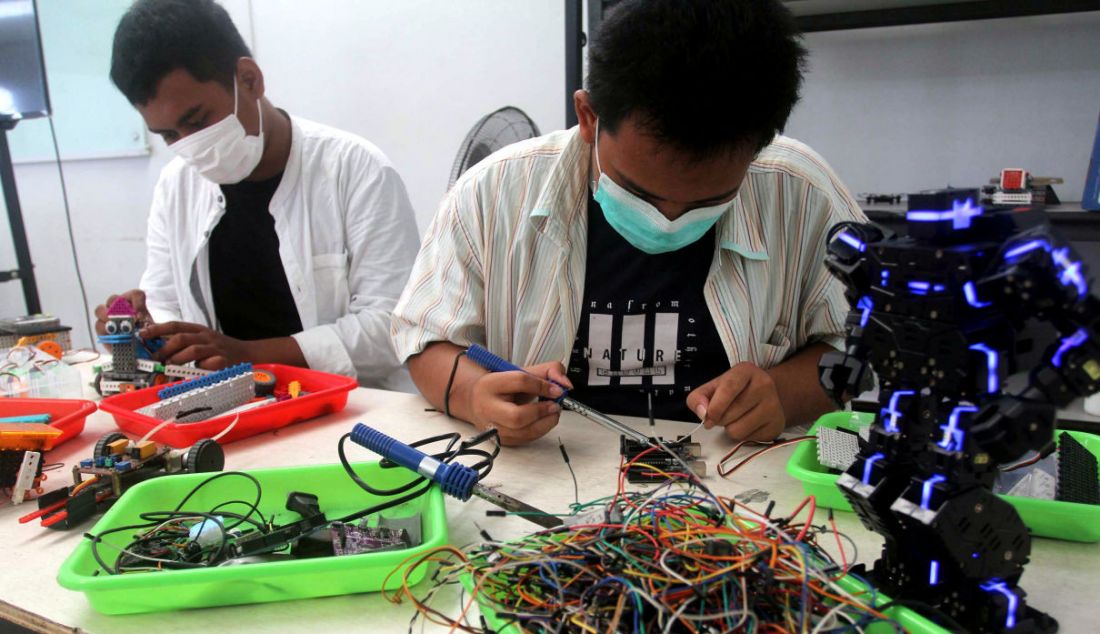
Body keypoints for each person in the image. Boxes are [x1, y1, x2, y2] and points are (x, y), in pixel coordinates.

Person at [392, 0, 866, 444]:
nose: (668, 220)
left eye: (711, 201)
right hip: (548, 471)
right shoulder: (495, 192)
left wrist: (782, 393)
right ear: (588, 116)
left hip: (739, 484)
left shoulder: (801, 192)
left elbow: (863, 350)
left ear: (760, 145)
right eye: (641, 193)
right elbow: (426, 338)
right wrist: (475, 397)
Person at [95, 0, 419, 389]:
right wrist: (149, 329)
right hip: (230, 407)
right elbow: (167, 300)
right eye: (168, 136)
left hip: (355, 410)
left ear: (249, 80)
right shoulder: (176, 185)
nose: (189, 146)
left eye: (197, 122)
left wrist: (248, 354)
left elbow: (391, 325)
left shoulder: (356, 169)